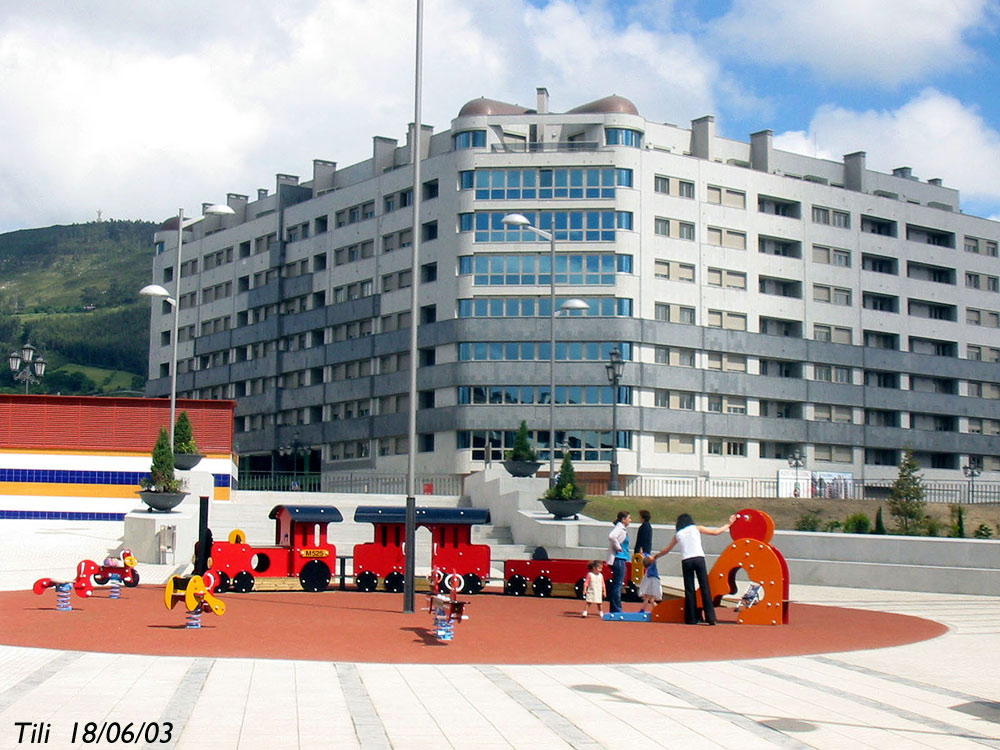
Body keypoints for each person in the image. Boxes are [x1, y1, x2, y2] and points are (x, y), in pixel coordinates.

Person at [653, 513, 736, 625]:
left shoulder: (679, 534)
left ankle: (691, 618)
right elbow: (715, 532)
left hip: (686, 560)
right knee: (705, 587)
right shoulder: (696, 528)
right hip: (699, 558)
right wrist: (729, 524)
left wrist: (655, 556)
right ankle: (711, 617)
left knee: (689, 589)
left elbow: (667, 549)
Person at [634, 509, 661, 614]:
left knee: (650, 597)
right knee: (649, 597)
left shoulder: (644, 527)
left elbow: (642, 540)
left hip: (645, 553)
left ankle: (656, 611)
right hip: (646, 553)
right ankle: (643, 610)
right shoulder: (648, 527)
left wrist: (641, 550)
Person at [605, 510, 631, 613]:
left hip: (621, 558)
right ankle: (617, 609)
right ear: (623, 519)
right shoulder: (619, 528)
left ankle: (614, 608)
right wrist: (618, 547)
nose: (630, 520)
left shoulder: (622, 529)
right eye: (629, 518)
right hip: (619, 558)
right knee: (618, 584)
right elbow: (612, 536)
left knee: (617, 584)